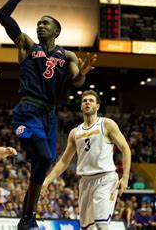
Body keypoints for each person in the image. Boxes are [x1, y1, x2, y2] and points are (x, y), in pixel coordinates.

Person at [0, 0, 97, 229]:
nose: (40, 26)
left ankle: (27, 218)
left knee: (44, 161)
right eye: (39, 23)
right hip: (27, 110)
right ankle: (27, 215)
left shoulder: (68, 55)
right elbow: (3, 16)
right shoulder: (28, 46)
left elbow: (76, 82)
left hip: (49, 116)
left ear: (57, 30)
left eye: (46, 23)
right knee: (41, 155)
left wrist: (83, 74)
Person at [42, 90, 131, 230]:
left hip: (105, 178)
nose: (87, 102)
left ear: (97, 106)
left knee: (102, 225)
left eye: (91, 100)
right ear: (81, 106)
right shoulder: (75, 132)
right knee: (87, 227)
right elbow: (64, 162)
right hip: (85, 181)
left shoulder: (106, 124)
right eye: (84, 101)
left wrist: (125, 177)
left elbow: (125, 148)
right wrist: (47, 180)